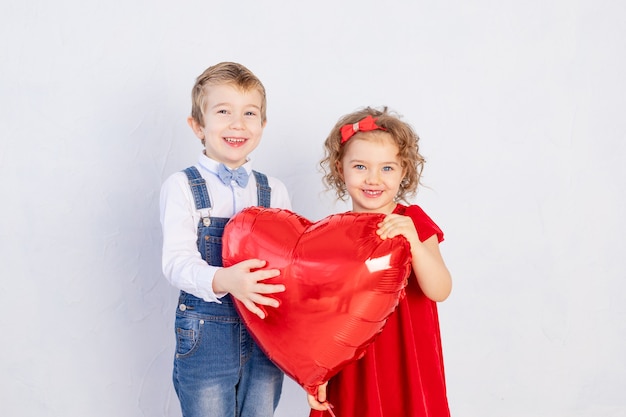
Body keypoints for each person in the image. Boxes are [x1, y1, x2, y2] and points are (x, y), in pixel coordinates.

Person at [160, 62, 291, 417]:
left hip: (265, 335)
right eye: (223, 112)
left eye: (250, 113)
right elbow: (176, 262)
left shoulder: (273, 191)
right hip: (206, 334)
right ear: (197, 126)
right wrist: (223, 279)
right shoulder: (182, 186)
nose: (238, 124)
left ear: (263, 125)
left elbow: (289, 266)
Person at [308, 106, 453, 417]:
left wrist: (413, 242)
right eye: (360, 166)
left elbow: (440, 289)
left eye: (387, 168)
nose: (373, 179)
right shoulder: (331, 234)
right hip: (352, 366)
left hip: (407, 361)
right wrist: (316, 372)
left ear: (404, 172)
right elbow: (323, 315)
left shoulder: (413, 222)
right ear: (339, 168)